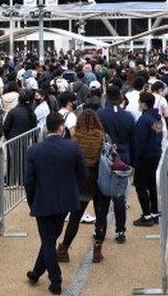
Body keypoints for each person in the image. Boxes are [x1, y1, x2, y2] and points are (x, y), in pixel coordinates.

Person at [23, 112, 87, 295]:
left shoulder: (34, 150)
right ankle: (36, 273)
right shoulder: (73, 148)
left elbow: (29, 181)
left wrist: (32, 202)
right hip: (65, 201)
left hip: (43, 200)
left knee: (48, 240)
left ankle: (56, 279)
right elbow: (83, 175)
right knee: (50, 239)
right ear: (61, 127)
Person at [56, 109, 111, 264]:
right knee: (101, 216)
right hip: (100, 180)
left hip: (81, 182)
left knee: (75, 217)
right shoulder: (102, 137)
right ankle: (97, 250)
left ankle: (64, 248)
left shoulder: (75, 140)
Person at [97, 85, 134, 243]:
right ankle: (120, 231)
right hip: (123, 156)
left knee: (103, 195)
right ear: (119, 96)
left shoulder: (100, 114)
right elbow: (133, 139)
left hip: (105, 157)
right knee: (119, 196)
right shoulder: (127, 115)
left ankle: (100, 231)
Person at [132, 92, 163, 227]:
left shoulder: (144, 120)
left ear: (144, 104)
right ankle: (154, 212)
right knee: (151, 184)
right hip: (155, 154)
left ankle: (146, 215)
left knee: (140, 185)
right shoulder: (156, 118)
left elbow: (140, 141)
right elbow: (158, 135)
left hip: (145, 156)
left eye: (140, 102)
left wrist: (135, 159)